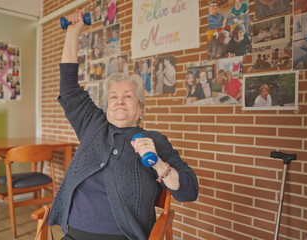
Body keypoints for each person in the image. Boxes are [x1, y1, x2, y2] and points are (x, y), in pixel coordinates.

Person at [47, 11, 199, 240]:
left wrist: (158, 164)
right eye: (113, 97)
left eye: (128, 96)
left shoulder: (155, 140)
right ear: (106, 106)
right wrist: (73, 33)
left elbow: (189, 191)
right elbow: (68, 86)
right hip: (75, 234)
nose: (119, 100)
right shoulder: (93, 124)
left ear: (140, 108)